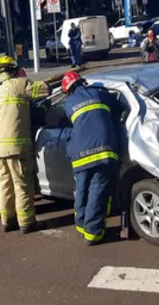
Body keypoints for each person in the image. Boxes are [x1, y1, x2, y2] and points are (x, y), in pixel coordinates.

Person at [0, 56, 50, 234]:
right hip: (19, 146)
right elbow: (45, 90)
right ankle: (26, 222)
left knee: (5, 184)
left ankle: (7, 221)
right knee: (22, 184)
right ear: (14, 70)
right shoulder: (20, 84)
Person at [60, 72, 120, 245]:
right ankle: (93, 233)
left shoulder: (68, 103)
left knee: (82, 189)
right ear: (82, 82)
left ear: (67, 90)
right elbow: (118, 107)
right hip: (103, 150)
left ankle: (81, 225)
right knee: (97, 191)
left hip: (79, 154)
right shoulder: (99, 93)